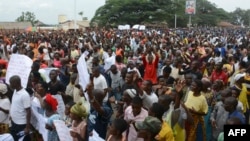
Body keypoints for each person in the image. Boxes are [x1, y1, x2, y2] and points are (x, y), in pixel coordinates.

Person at [9, 75, 31, 141]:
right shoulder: (15, 91)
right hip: (14, 122)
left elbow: (28, 111)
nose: (10, 85)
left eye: (11, 83)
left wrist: (27, 127)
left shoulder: (24, 95)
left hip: (21, 124)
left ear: (17, 83)